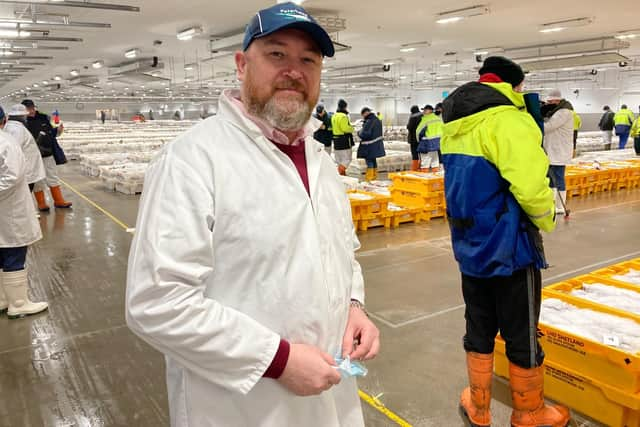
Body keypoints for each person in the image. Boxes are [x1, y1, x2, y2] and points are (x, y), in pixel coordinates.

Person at [125, 3, 380, 426]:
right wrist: (278, 361)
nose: (294, 71)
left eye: (308, 60)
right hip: (240, 405)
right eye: (277, 54)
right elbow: (157, 301)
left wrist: (355, 306)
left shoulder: (319, 161)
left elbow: (341, 253)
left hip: (328, 387)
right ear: (242, 65)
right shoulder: (192, 160)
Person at [441, 56, 568, 427]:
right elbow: (529, 185)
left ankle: (479, 408)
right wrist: (545, 220)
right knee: (521, 328)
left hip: (468, 241)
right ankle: (529, 412)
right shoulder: (510, 120)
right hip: (510, 245)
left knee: (478, 322)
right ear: (516, 86)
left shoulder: (454, 121)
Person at [0, 128, 49, 319]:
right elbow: (12, 177)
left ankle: (3, 299)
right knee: (14, 251)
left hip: (5, 211)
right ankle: (18, 304)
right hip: (11, 210)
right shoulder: (7, 143)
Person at [22, 99, 72, 211]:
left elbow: (50, 133)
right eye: (28, 109)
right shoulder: (23, 122)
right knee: (37, 179)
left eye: (32, 108)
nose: (31, 111)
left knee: (53, 177)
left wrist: (58, 130)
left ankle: (59, 201)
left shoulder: (43, 118)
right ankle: (41, 204)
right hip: (33, 156)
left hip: (48, 154)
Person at [543, 89, 575, 216]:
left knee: (558, 177)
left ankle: (560, 206)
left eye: (551, 101)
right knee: (551, 178)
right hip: (553, 149)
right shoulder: (556, 111)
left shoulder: (564, 112)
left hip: (559, 150)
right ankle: (552, 203)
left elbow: (548, 127)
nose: (549, 104)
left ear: (558, 100)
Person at [3, 104, 45, 192]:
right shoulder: (16, 129)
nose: (26, 117)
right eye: (25, 115)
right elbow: (14, 152)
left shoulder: (14, 127)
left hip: (24, 172)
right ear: (21, 116)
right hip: (23, 173)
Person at [357, 107, 385, 181]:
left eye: (363, 115)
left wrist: (359, 132)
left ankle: (370, 178)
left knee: (369, 161)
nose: (363, 117)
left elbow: (365, 134)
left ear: (365, 113)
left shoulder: (369, 121)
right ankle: (374, 177)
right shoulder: (377, 120)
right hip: (376, 145)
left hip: (369, 146)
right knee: (373, 160)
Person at [416, 104, 443, 172]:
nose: (423, 112)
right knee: (435, 162)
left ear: (429, 111)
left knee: (425, 163)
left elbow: (418, 132)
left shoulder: (426, 119)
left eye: (425, 110)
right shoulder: (438, 119)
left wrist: (418, 141)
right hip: (437, 144)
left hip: (427, 144)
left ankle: (424, 179)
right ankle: (435, 180)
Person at [332, 99, 355, 175]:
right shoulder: (343, 116)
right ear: (345, 107)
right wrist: (352, 128)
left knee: (339, 160)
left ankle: (342, 176)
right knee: (347, 159)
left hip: (336, 141)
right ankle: (338, 173)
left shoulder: (334, 116)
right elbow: (345, 128)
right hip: (344, 140)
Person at [406, 105, 422, 171]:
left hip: (413, 138)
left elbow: (409, 127)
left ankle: (415, 168)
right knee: (421, 153)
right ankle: (421, 166)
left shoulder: (413, 117)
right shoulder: (423, 116)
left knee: (414, 153)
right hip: (421, 138)